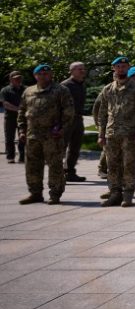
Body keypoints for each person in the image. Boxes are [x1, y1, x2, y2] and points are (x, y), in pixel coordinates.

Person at [17, 64, 73, 204]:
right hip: (32, 136)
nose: (43, 76)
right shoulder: (28, 91)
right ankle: (35, 193)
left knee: (55, 166)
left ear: (51, 75)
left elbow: (68, 111)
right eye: (40, 74)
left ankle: (55, 194)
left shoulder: (61, 90)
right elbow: (22, 112)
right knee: (32, 166)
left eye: (46, 74)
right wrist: (22, 130)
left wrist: (62, 129)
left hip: (52, 137)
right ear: (35, 76)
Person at [96, 56, 135, 207]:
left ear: (128, 68)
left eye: (124, 67)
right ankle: (115, 193)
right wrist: (101, 133)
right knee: (112, 165)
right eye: (118, 66)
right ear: (114, 68)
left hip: (130, 134)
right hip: (112, 134)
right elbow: (102, 114)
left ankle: (128, 194)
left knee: (128, 165)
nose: (121, 69)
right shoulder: (108, 89)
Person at [2, 71, 26, 164]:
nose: (18, 80)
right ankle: (10, 157)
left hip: (23, 118)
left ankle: (22, 157)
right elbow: (5, 104)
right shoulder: (5, 90)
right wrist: (19, 109)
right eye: (15, 78)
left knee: (23, 137)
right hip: (10, 118)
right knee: (9, 138)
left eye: (19, 78)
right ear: (10, 79)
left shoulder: (26, 89)